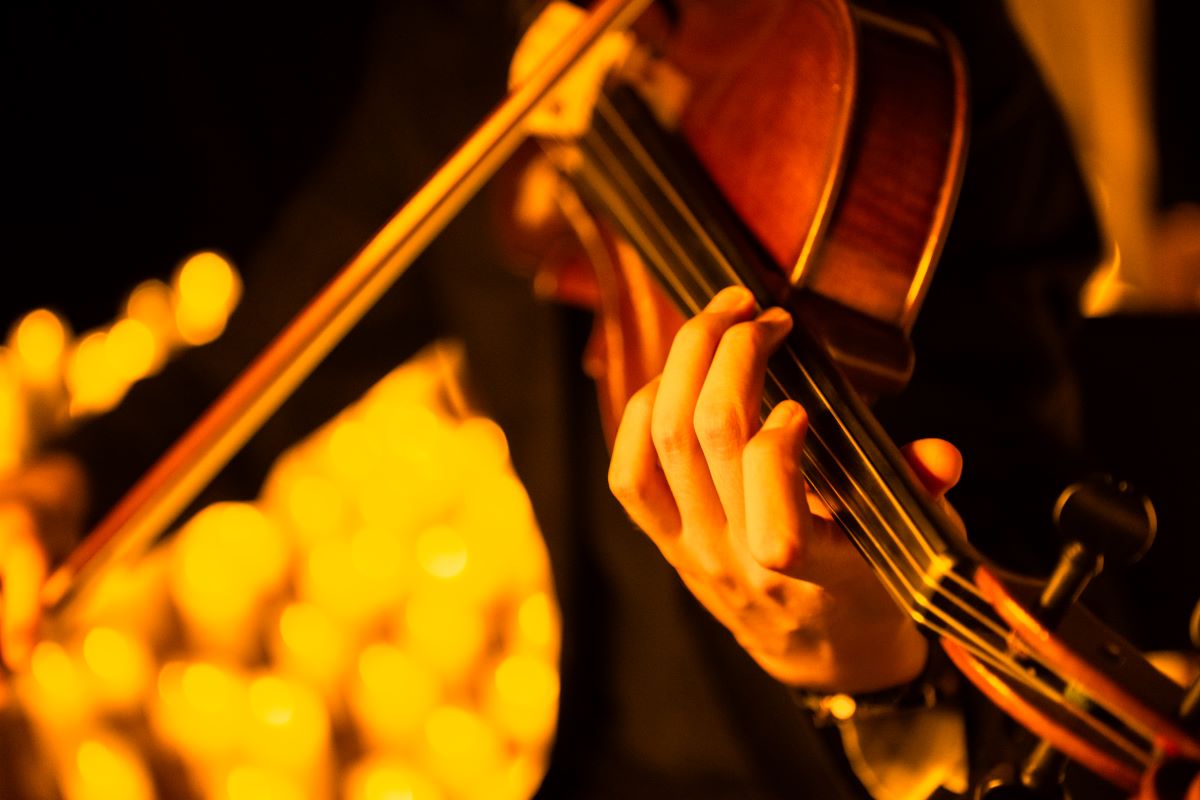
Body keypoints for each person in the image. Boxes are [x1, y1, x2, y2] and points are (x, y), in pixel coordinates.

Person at [1, 1, 1193, 798]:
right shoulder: (476, 58)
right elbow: (248, 363)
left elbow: (1034, 492)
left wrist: (865, 662)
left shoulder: (905, 50)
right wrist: (56, 492)